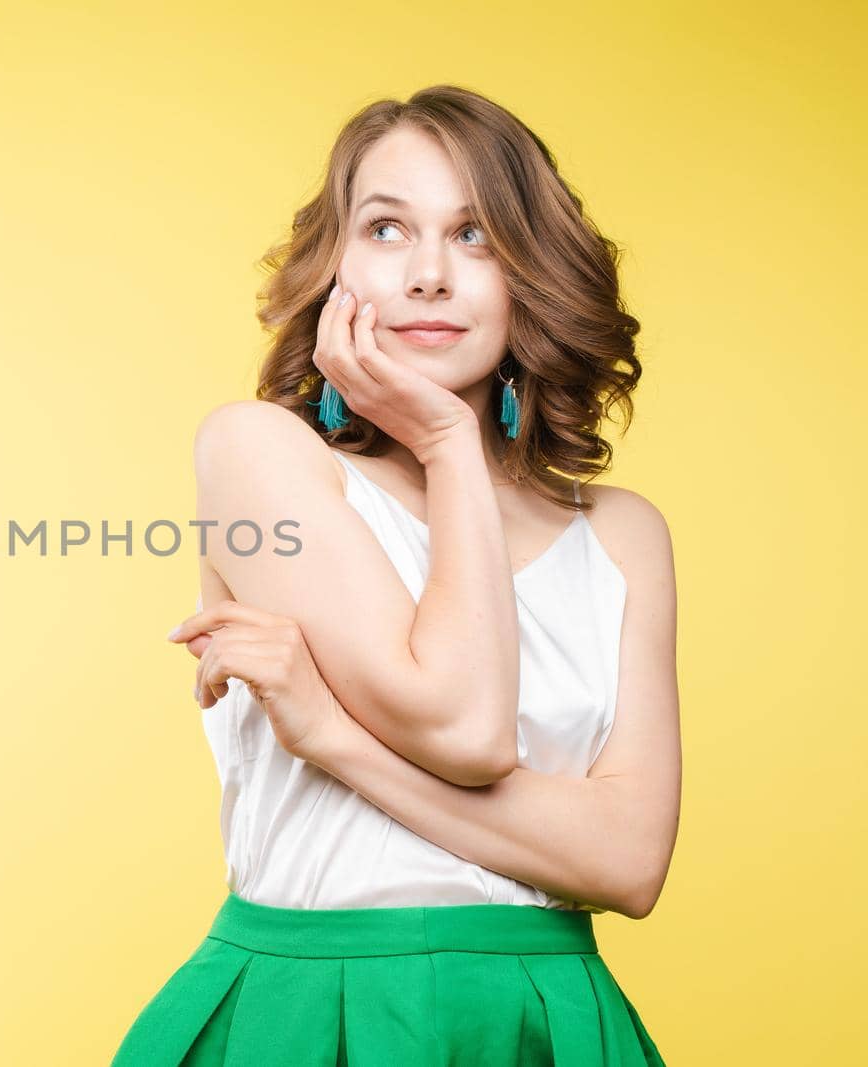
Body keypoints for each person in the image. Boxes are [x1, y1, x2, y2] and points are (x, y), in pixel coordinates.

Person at [110, 85, 679, 1065]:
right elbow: (462, 726)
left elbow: (628, 862)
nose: (427, 274)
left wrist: (334, 735)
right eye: (386, 227)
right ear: (337, 267)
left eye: (475, 235)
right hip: (301, 1008)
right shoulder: (265, 456)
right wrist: (453, 442)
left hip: (542, 1017)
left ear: (528, 272)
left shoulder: (622, 535)